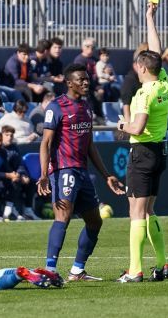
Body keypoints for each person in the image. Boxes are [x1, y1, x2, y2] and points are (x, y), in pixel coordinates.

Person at [38, 64, 124, 281]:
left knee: (95, 221)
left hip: (82, 172)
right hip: (63, 170)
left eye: (87, 79)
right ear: (69, 83)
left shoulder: (86, 107)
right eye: (81, 80)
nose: (86, 82)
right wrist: (44, 174)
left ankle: (77, 270)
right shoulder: (56, 107)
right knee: (63, 216)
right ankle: (50, 269)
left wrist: (107, 176)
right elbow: (46, 143)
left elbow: (90, 145)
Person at [115, 2, 168, 283]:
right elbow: (156, 53)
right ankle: (161, 265)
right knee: (149, 210)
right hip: (160, 151)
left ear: (141, 67)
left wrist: (122, 126)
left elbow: (136, 126)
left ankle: (135, 269)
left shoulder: (144, 94)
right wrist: (150, 18)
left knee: (136, 212)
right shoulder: (164, 84)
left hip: (142, 152)